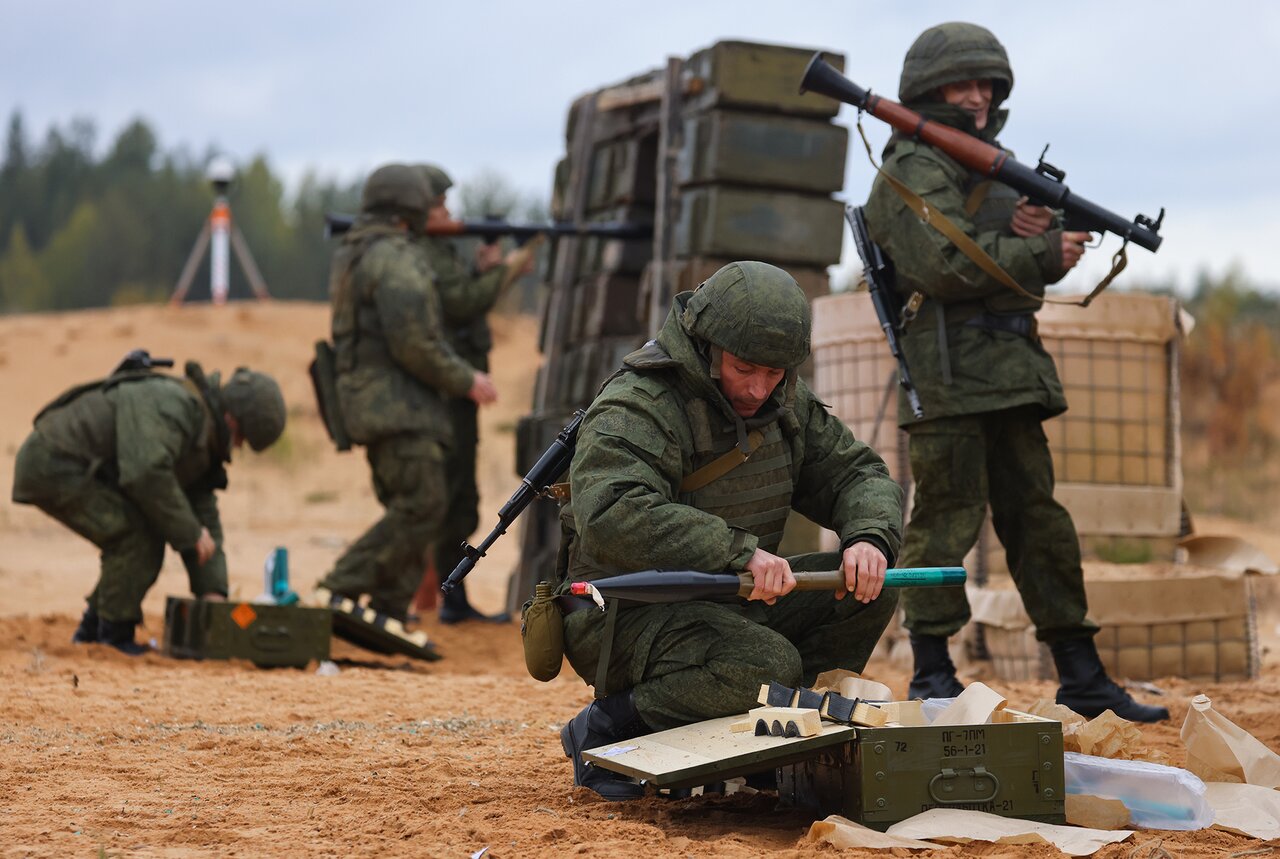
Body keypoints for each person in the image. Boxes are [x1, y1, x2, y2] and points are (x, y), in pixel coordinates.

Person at [862, 22, 1167, 722]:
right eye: (960, 84)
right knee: (944, 520)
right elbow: (942, 262)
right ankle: (933, 672)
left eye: (985, 86)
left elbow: (990, 250)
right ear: (926, 91)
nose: (974, 97)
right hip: (948, 373)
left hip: (1009, 369)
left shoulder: (989, 162)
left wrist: (1030, 236)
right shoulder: (911, 166)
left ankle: (1081, 671)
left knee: (1040, 522)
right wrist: (1037, 252)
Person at [556, 261, 905, 799]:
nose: (759, 389)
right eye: (746, 369)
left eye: (776, 373)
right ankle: (609, 725)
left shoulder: (785, 399)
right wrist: (737, 551)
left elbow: (854, 472)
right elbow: (612, 513)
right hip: (622, 608)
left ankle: (771, 735)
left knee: (865, 589)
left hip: (727, 594)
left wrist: (868, 538)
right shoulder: (639, 403)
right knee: (766, 665)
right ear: (707, 344)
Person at [316, 163, 496, 623]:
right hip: (396, 406)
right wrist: (466, 379)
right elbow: (415, 343)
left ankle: (390, 610)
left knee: (420, 505)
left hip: (378, 404)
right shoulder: (393, 258)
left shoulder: (360, 251)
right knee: (423, 505)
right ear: (409, 208)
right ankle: (337, 588)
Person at [11, 359, 286, 654]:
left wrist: (213, 592)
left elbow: (202, 510)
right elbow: (144, 473)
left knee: (139, 533)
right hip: (56, 461)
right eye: (242, 437)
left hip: (74, 464)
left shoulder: (202, 436)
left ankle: (93, 630)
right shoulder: (177, 406)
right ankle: (112, 637)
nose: (239, 446)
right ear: (232, 419)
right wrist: (190, 533)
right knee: (138, 538)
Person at [416, 163, 534, 624]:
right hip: (447, 390)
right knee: (455, 493)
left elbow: (459, 297)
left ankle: (448, 597)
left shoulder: (433, 252)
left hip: (452, 387)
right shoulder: (426, 252)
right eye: (439, 203)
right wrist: (508, 268)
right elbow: (463, 304)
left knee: (457, 492)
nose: (447, 210)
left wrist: (486, 269)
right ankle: (447, 598)